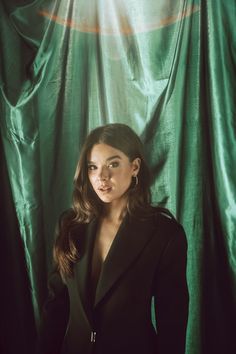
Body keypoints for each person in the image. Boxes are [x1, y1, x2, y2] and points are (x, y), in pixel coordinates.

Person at [36, 123, 189, 354]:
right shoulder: (70, 225)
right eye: (93, 167)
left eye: (113, 164)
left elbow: (172, 321)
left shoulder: (165, 235)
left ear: (135, 166)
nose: (102, 177)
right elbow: (56, 306)